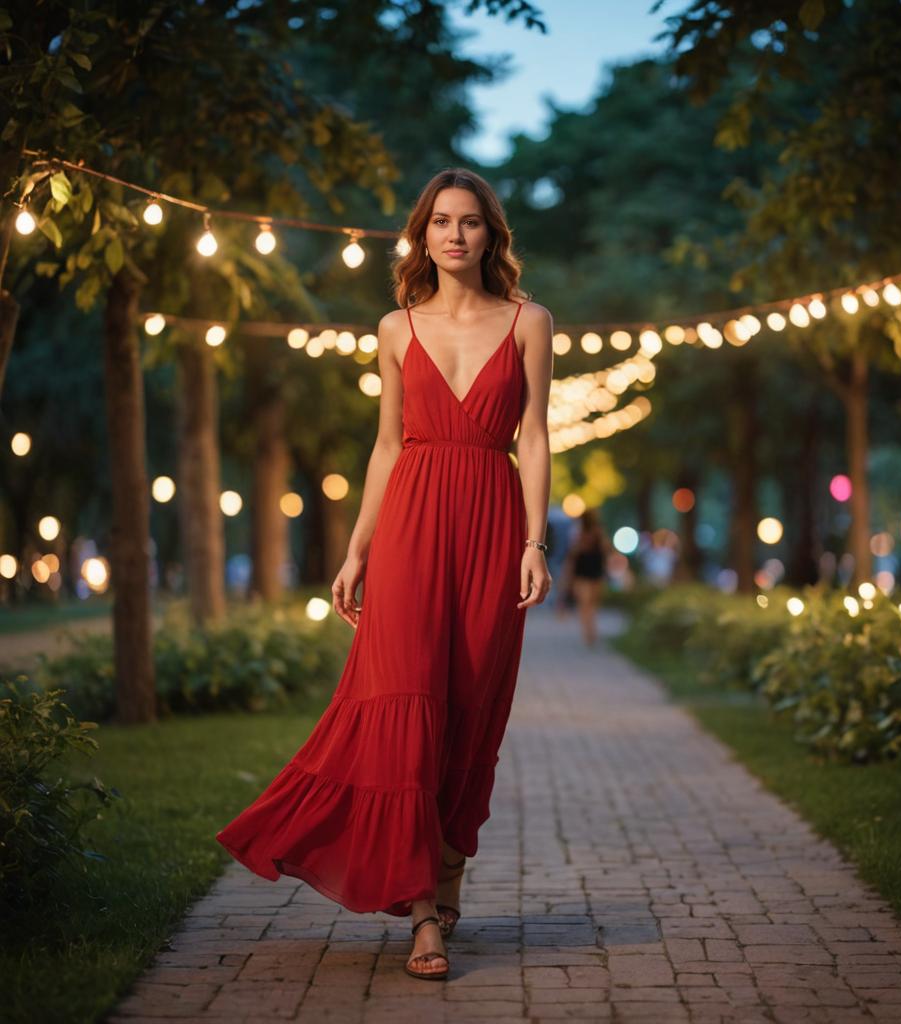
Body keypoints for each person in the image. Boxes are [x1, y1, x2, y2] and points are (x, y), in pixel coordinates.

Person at [216, 168, 554, 981]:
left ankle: (444, 877)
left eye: (470, 222)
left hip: (490, 519)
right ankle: (423, 918)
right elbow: (387, 446)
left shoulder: (531, 322)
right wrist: (358, 550)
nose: (454, 235)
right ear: (422, 233)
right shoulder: (395, 327)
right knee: (406, 707)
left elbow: (536, 437)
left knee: (471, 707)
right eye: (440, 221)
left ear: (490, 234)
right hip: (409, 528)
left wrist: (535, 542)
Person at [558, 509, 612, 647]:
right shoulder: (597, 532)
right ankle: (590, 632)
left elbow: (573, 553)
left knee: (586, 605)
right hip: (592, 571)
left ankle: (589, 632)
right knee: (590, 605)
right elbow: (606, 550)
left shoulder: (578, 533)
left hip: (584, 572)